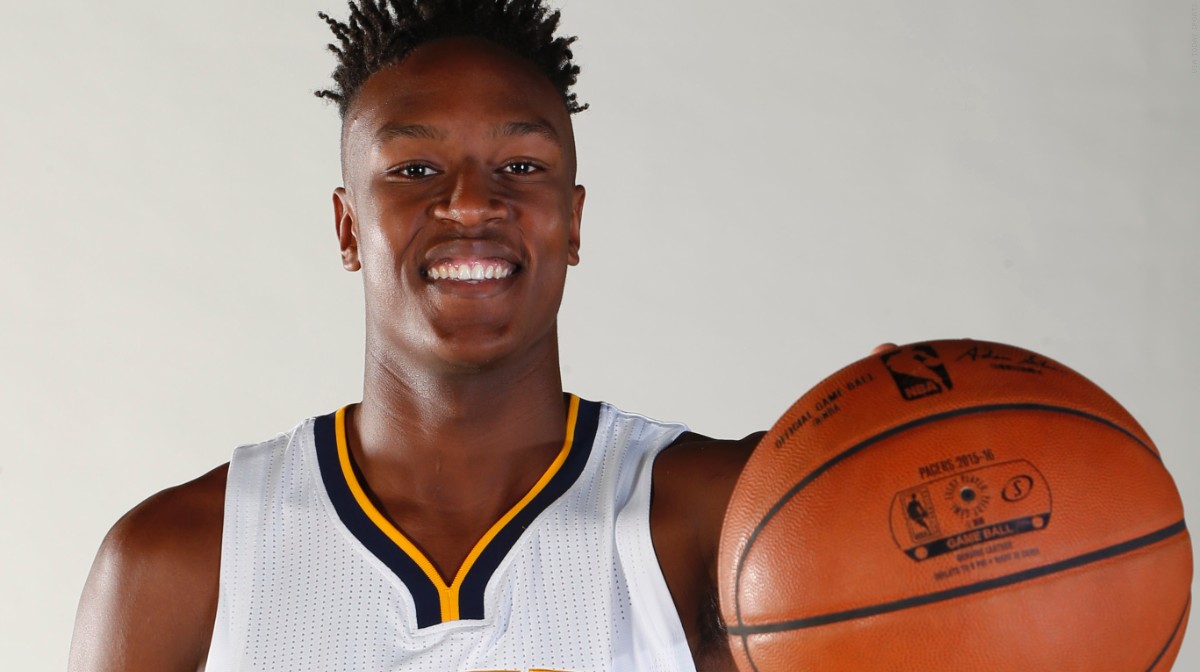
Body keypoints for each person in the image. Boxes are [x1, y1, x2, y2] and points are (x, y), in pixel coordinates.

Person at [67, 1, 761, 670]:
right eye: (415, 170)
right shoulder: (182, 561)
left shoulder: (728, 521)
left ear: (572, 223)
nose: (472, 203)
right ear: (348, 229)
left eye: (521, 166)